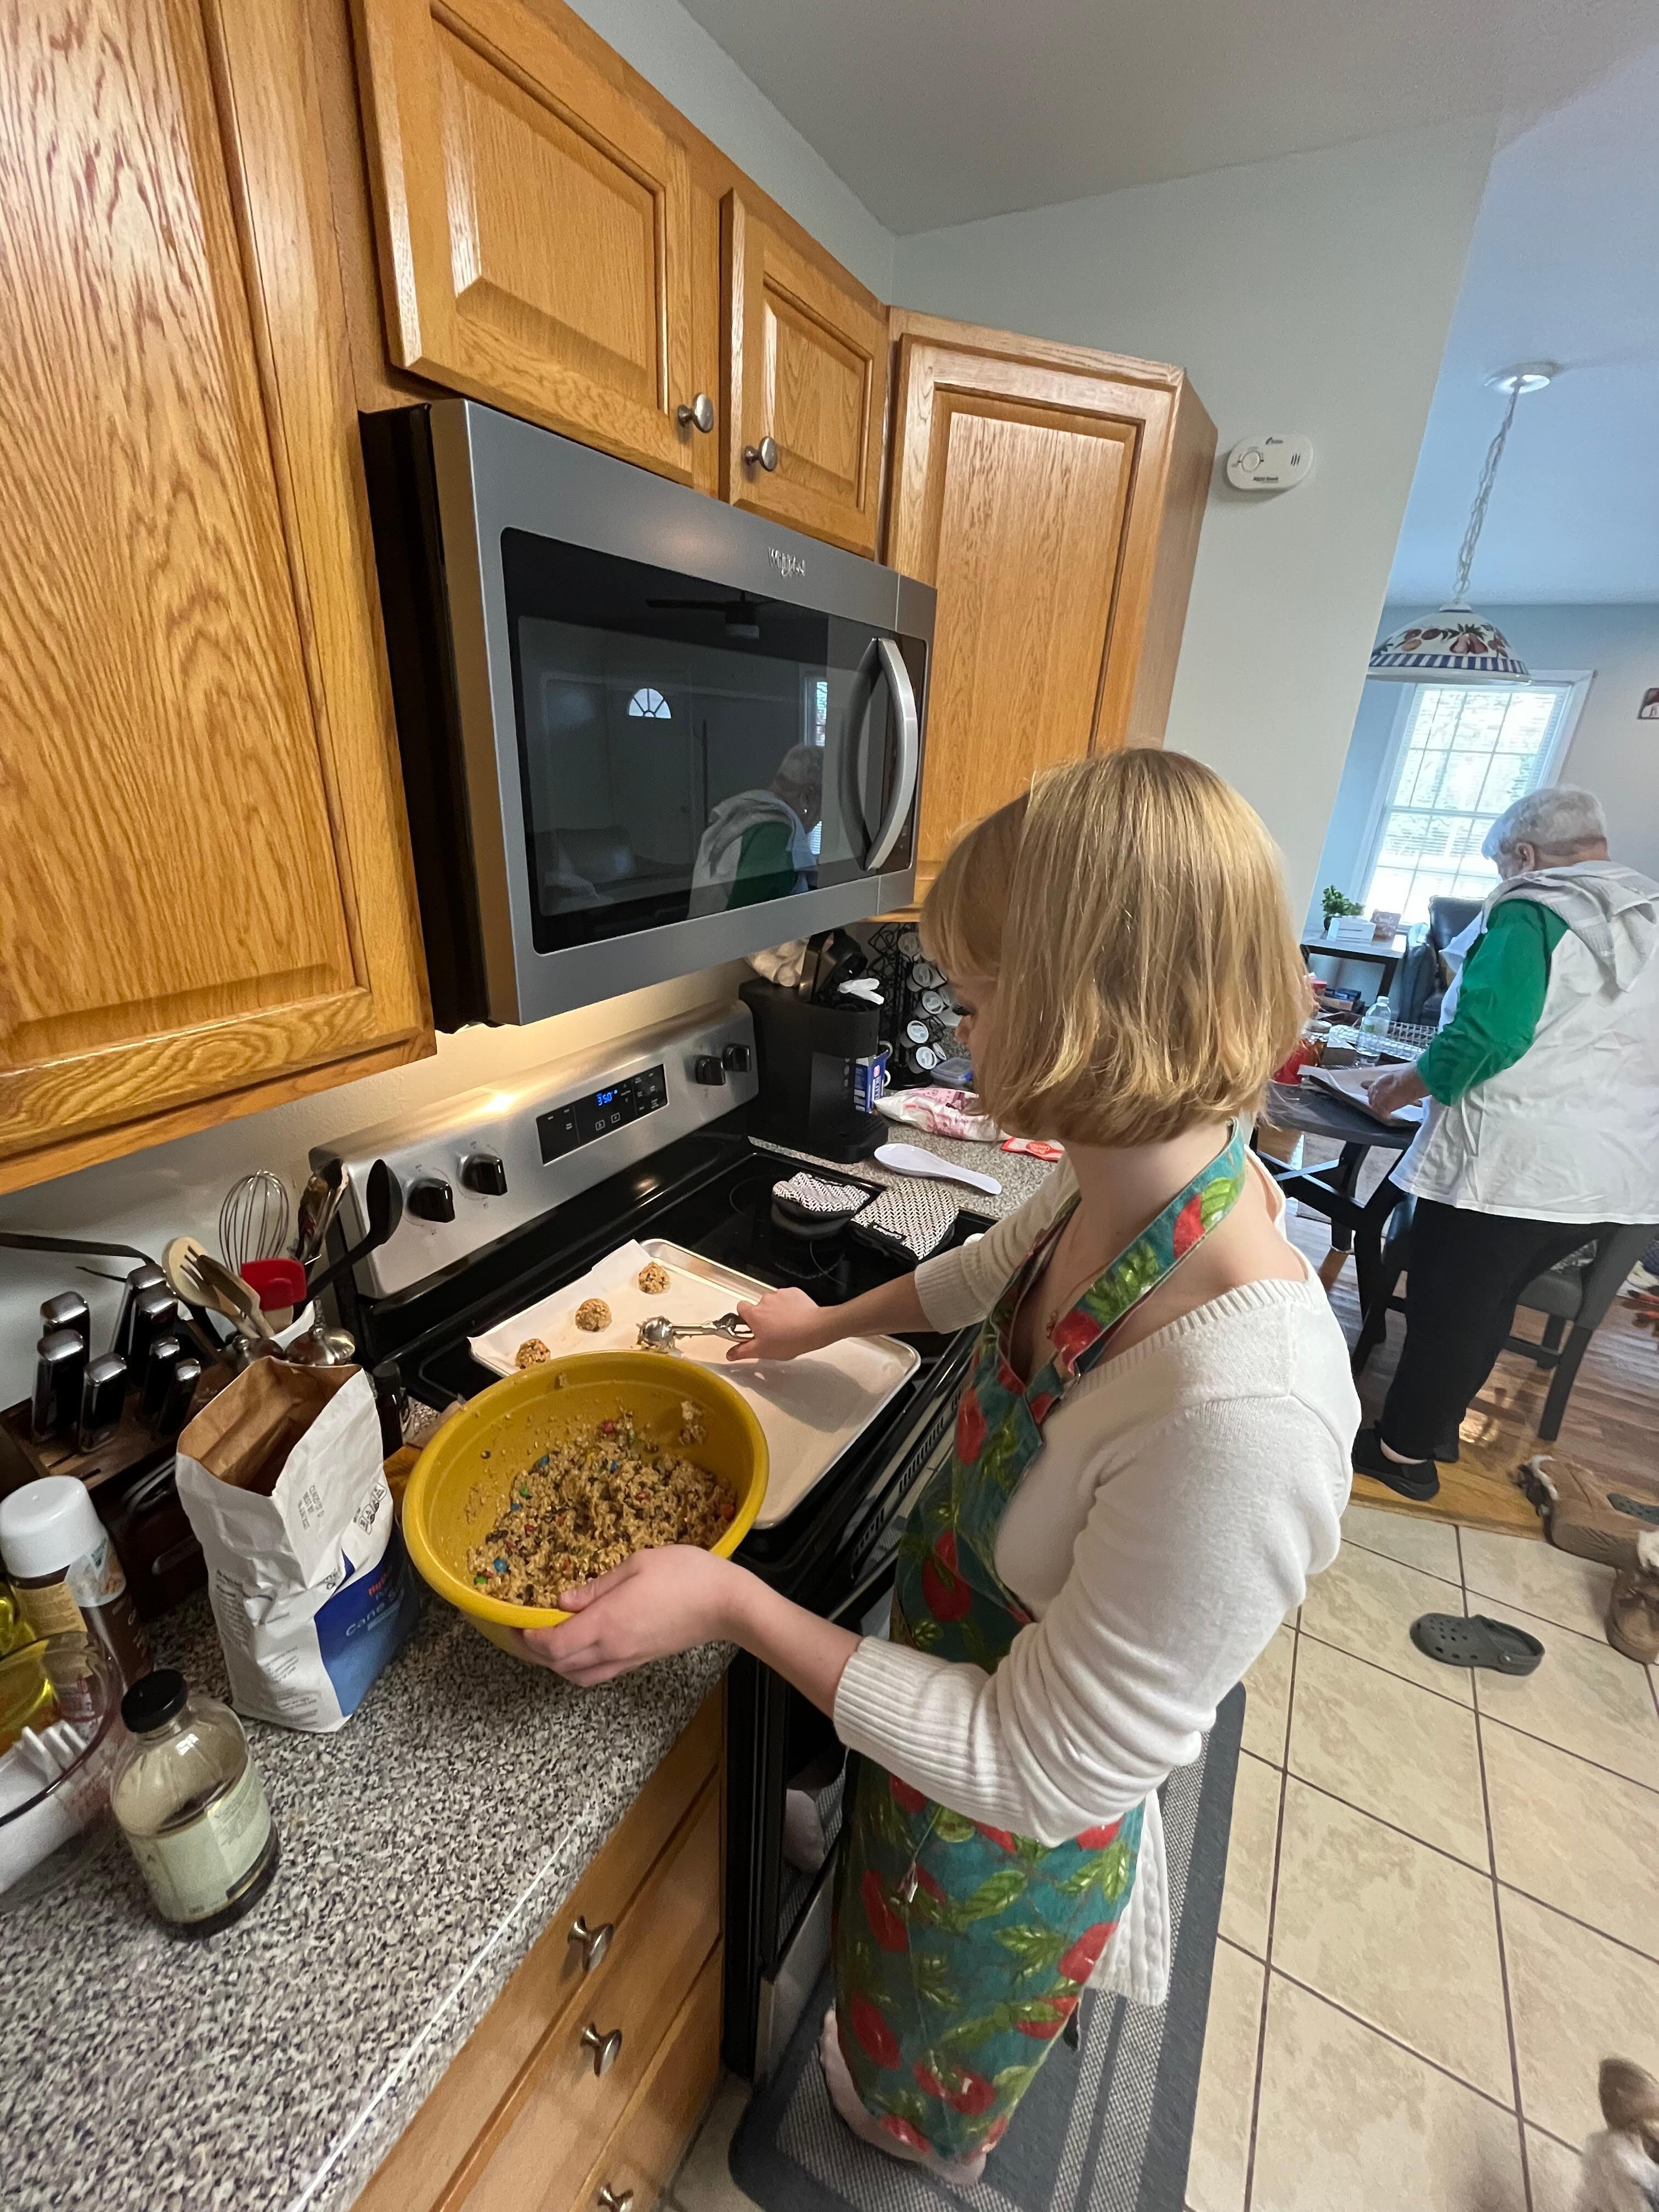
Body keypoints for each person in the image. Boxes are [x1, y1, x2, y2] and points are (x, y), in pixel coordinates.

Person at [519, 752, 1358, 2179]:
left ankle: (903, 2136)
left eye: (970, 998)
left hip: (1011, 1838)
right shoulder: (1136, 1174)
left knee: (903, 2086)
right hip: (940, 1680)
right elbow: (992, 1266)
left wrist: (727, 1606)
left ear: (1087, 1007)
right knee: (868, 1905)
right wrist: (818, 1322)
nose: (956, 1036)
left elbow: (1035, 1761)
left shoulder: (1247, 1417)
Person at [1357, 787, 1659, 1498]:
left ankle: (1401, 1456)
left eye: (1500, 863)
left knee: (1448, 1308)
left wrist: (1401, 1085)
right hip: (1613, 1177)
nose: (1501, 877)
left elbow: (1489, 1034)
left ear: (1524, 855)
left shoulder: (1533, 908)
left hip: (1516, 1166)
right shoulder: (1644, 914)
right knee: (1490, 1302)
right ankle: (1435, 1428)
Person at [687, 743, 822, 914]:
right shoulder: (777, 835)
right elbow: (752, 924)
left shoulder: (749, 808)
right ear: (807, 797)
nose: (818, 820)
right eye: (821, 808)